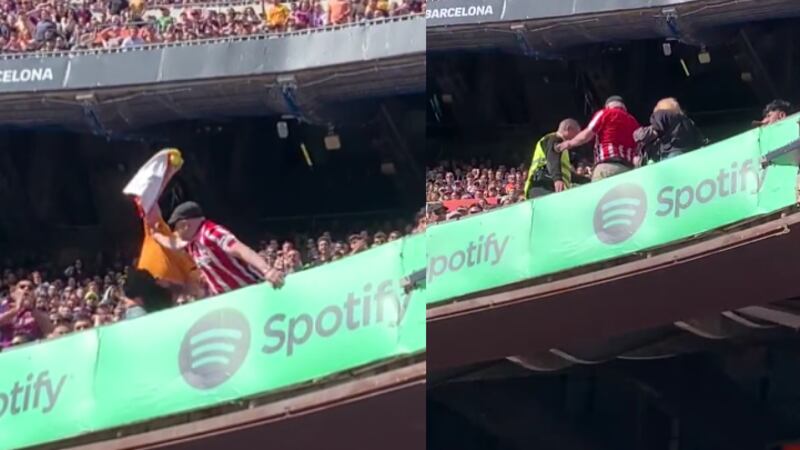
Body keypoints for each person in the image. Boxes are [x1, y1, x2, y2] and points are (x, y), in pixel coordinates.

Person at [152, 201, 285, 296]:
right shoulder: (191, 242)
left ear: (185, 225)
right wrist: (156, 235)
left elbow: (240, 249)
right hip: (227, 299)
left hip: (249, 291)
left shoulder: (211, 232)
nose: (176, 232)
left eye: (176, 227)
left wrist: (267, 270)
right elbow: (173, 244)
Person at [557, 95, 641, 182]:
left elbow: (587, 134)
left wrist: (569, 143)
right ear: (624, 107)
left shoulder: (605, 113)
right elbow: (639, 148)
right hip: (628, 170)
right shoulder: (633, 121)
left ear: (608, 106)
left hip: (607, 167)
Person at [634, 97, 706, 163]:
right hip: (691, 157)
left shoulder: (662, 114)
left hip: (673, 156)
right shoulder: (688, 121)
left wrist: (638, 135)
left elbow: (651, 133)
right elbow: (700, 140)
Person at [523, 118, 581, 199]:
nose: (577, 137)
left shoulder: (563, 150)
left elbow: (568, 174)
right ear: (568, 129)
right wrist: (557, 178)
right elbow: (552, 157)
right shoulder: (554, 139)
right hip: (543, 185)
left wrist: (588, 180)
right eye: (577, 133)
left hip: (548, 186)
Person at [0, 279, 53, 348]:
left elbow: (50, 330)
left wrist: (32, 309)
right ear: (13, 293)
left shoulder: (38, 311)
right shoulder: (4, 307)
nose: (26, 289)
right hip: (7, 349)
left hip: (31, 347)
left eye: (30, 288)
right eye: (22, 287)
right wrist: (17, 309)